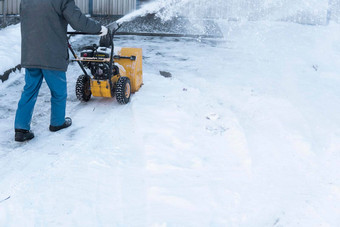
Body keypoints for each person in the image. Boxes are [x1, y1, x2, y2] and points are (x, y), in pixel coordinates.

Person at [14, 0, 108, 142]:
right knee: (58, 91)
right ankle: (57, 123)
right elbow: (78, 22)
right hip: (52, 54)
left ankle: (21, 129)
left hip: (31, 53)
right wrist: (100, 28)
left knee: (29, 90)